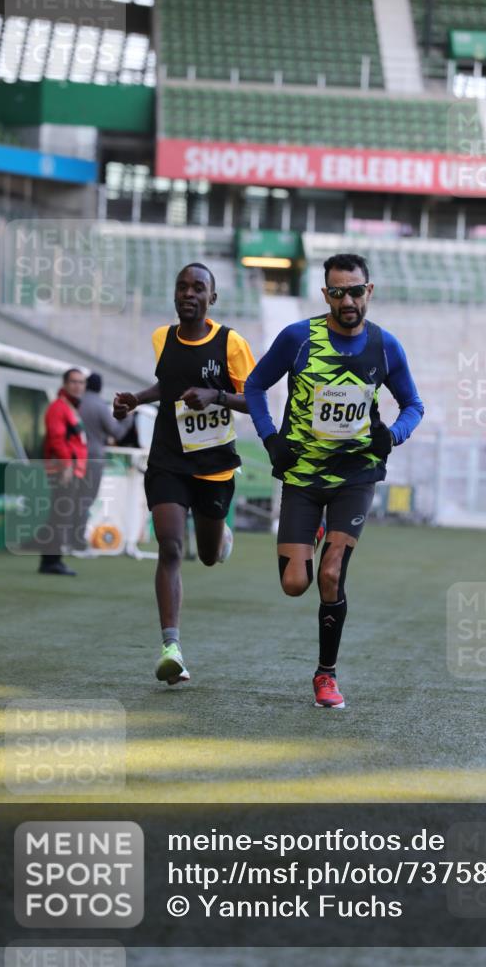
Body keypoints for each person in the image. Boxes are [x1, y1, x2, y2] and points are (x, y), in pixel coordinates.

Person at [244, 253, 424, 709]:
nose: (348, 300)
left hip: (356, 474)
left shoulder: (385, 347)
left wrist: (392, 437)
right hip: (303, 474)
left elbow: (413, 407)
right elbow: (253, 386)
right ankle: (313, 532)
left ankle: (326, 675)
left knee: (330, 573)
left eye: (356, 290)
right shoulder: (298, 338)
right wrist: (270, 438)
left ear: (370, 292)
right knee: (293, 583)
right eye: (338, 291)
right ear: (326, 294)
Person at [113, 263, 256, 686]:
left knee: (208, 555)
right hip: (168, 458)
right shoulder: (163, 338)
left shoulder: (231, 343)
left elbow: (255, 399)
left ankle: (220, 537)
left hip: (213, 465)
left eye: (198, 288)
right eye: (182, 287)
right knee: (171, 547)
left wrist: (215, 395)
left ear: (212, 298)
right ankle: (171, 648)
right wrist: (135, 399)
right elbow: (169, 384)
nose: (188, 294)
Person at [76, 372, 134, 553]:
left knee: (70, 499)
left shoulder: (75, 402)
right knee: (85, 499)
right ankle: (77, 541)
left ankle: (66, 539)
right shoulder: (99, 406)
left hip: (71, 457)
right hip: (93, 457)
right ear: (100, 387)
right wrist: (129, 417)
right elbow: (116, 432)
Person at [39, 367, 88, 576]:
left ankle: (51, 559)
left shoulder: (70, 407)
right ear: (65, 384)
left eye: (81, 382)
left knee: (61, 515)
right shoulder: (58, 407)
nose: (78, 386)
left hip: (72, 469)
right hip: (63, 469)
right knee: (60, 516)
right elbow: (57, 439)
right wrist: (67, 465)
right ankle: (51, 562)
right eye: (74, 382)